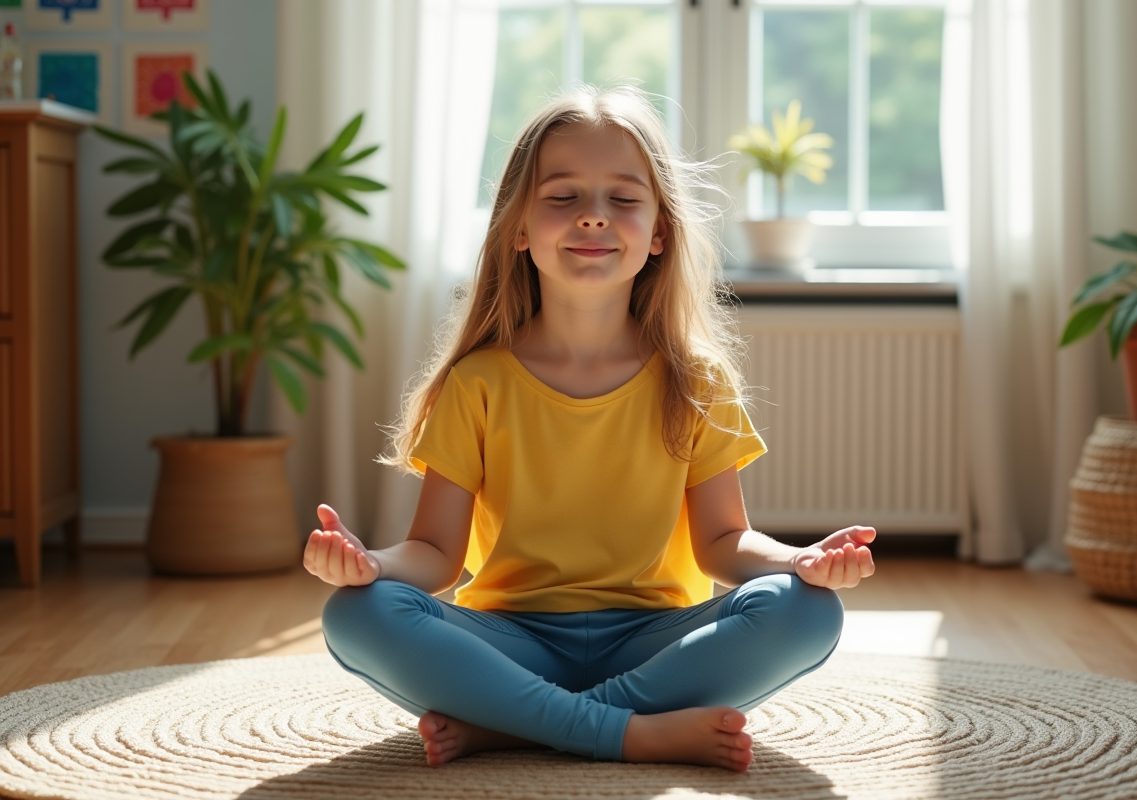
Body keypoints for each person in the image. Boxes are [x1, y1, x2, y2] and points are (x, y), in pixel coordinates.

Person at [304, 84, 876, 773]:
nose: (594, 216)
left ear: (659, 233)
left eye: (624, 199)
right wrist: (371, 566)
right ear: (518, 228)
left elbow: (724, 544)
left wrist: (798, 561)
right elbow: (435, 553)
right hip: (511, 640)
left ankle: (515, 724)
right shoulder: (478, 382)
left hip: (656, 643)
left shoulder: (696, 380)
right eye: (563, 196)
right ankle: (629, 732)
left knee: (808, 609)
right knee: (355, 613)